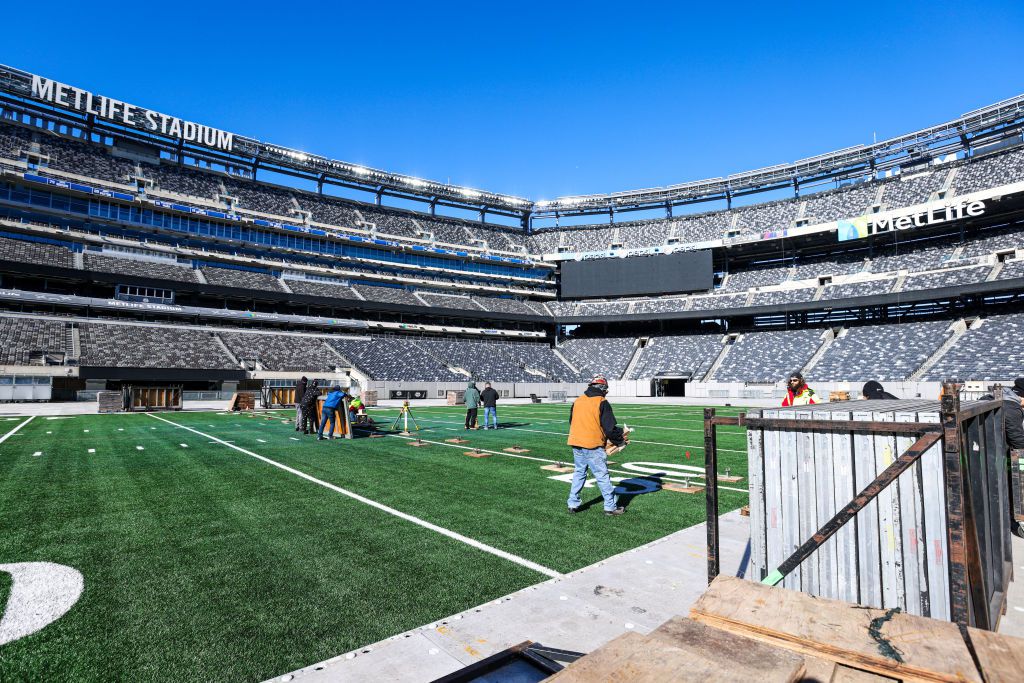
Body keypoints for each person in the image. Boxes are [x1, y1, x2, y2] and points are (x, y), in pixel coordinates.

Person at [567, 375, 626, 516]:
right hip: (592, 444)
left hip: (576, 442)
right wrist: (620, 440)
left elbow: (571, 421)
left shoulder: (578, 401)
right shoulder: (602, 401)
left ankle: (572, 504)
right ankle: (610, 507)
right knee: (602, 475)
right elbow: (610, 428)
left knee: (579, 473)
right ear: (603, 388)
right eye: (606, 389)